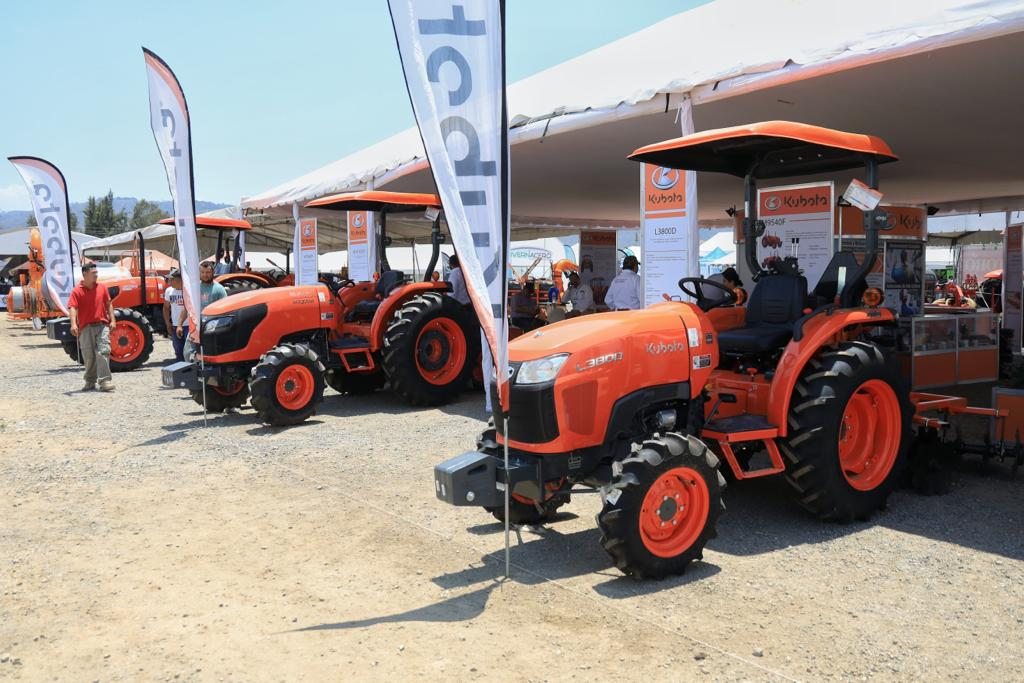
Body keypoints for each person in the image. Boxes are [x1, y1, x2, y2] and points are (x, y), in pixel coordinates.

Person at [68, 262, 117, 392]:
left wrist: (113, 320)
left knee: (103, 351)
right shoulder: (76, 291)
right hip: (85, 327)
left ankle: (105, 381)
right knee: (88, 356)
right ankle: (90, 381)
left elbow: (109, 304)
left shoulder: (102, 287)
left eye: (96, 273)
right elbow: (72, 307)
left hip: (102, 326)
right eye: (93, 273)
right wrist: (73, 324)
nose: (96, 275)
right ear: (85, 274)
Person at [180, 261, 229, 358]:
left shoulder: (219, 289)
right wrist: (179, 324)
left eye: (207, 272)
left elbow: (225, 309)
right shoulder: (194, 288)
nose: (205, 275)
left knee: (209, 353)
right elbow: (187, 307)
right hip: (196, 326)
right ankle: (191, 371)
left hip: (212, 328)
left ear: (212, 273)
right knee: (188, 352)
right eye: (202, 272)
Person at [162, 268, 187, 362]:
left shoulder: (188, 290)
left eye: (171, 279)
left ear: (179, 279)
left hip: (188, 325)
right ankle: (181, 372)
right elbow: (166, 308)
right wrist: (168, 323)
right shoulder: (169, 291)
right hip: (175, 325)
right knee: (178, 350)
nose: (169, 282)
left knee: (189, 351)